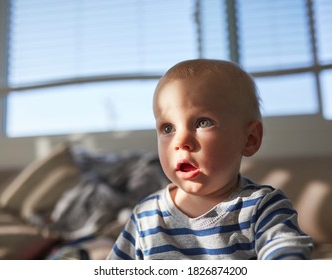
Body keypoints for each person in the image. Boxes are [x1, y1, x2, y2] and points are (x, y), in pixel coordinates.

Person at [107, 59, 313, 260]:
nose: (181, 141)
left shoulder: (262, 207)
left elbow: (285, 250)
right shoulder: (145, 217)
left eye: (203, 122)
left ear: (250, 139)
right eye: (167, 128)